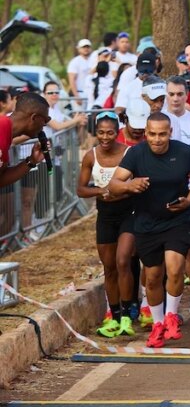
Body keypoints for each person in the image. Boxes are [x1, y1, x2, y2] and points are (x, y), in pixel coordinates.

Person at [108, 113, 190, 349]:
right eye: (152, 134)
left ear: (170, 132)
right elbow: (114, 185)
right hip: (146, 222)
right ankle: (158, 324)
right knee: (152, 278)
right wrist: (130, 185)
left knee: (175, 267)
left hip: (177, 219)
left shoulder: (184, 152)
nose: (157, 139)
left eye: (162, 134)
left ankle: (171, 316)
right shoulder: (136, 153)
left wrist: (189, 200)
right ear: (146, 133)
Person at [76, 111, 135, 338]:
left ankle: (128, 316)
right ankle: (115, 316)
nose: (105, 137)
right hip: (105, 215)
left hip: (128, 212)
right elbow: (81, 189)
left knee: (123, 261)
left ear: (117, 131)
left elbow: (139, 184)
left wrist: (121, 192)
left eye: (110, 133)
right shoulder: (91, 156)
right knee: (109, 268)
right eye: (101, 132)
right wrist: (102, 191)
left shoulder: (129, 153)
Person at [0, 92, 47, 189]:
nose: (44, 125)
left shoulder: (7, 131)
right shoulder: (2, 126)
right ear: (34, 118)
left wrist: (32, 160)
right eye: (45, 120)